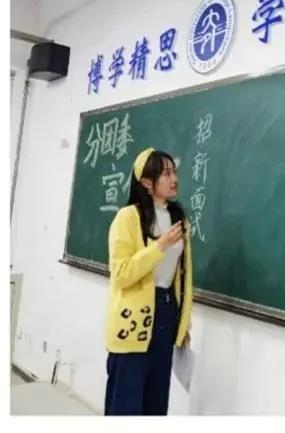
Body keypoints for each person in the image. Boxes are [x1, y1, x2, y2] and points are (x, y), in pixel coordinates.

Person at [103, 147, 193, 415]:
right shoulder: (127, 217)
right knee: (126, 403)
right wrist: (159, 246)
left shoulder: (178, 219)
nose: (174, 179)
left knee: (156, 401)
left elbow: (183, 276)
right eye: (166, 173)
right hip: (134, 317)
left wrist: (183, 321)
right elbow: (122, 274)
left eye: (174, 172)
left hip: (166, 310)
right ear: (146, 182)